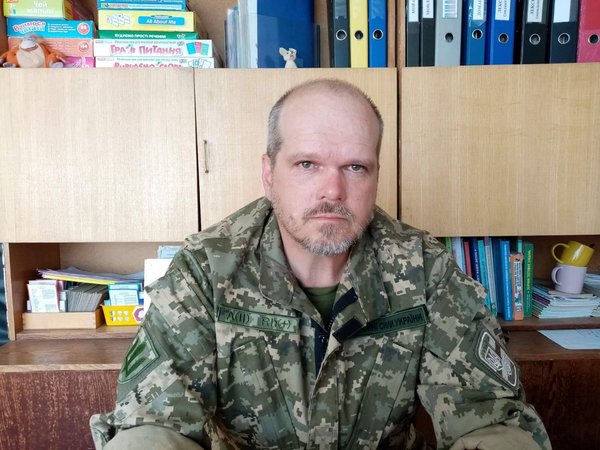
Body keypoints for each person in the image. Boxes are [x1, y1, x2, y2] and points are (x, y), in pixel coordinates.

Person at [91, 79, 551, 450]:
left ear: (375, 175)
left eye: (355, 167)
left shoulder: (423, 268)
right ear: (269, 174)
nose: (333, 190)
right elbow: (154, 425)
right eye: (307, 164)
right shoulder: (206, 270)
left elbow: (490, 416)